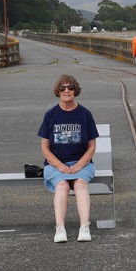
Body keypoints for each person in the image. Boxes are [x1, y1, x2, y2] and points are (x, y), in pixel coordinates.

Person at [38, 74, 99, 243]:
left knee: (80, 184)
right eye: (62, 88)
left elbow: (92, 146)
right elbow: (45, 148)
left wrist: (79, 165)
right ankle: (60, 228)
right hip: (55, 165)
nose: (66, 90)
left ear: (75, 90)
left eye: (70, 87)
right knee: (62, 185)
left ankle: (84, 227)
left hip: (82, 164)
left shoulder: (85, 114)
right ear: (58, 91)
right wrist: (60, 166)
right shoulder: (50, 115)